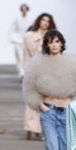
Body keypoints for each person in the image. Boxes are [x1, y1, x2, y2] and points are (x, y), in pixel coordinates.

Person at [21, 12, 55, 140]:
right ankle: (31, 127)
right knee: (32, 100)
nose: (45, 23)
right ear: (38, 21)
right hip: (33, 70)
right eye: (43, 20)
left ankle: (45, 129)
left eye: (48, 21)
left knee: (48, 101)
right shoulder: (29, 36)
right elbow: (25, 55)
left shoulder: (53, 36)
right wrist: (26, 70)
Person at [8, 3, 30, 79]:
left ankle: (26, 73)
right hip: (17, 41)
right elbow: (11, 29)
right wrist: (12, 39)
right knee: (19, 57)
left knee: (27, 58)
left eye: (25, 9)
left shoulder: (30, 20)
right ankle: (21, 74)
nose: (24, 10)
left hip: (27, 41)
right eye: (22, 9)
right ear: (21, 10)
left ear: (27, 10)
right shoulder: (17, 19)